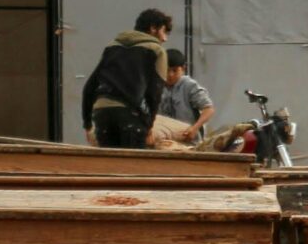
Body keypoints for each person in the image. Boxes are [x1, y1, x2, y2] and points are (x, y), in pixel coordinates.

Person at [79, 8, 172, 148]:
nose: (165, 39)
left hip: (102, 113)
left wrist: (87, 123)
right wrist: (149, 125)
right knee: (133, 165)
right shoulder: (156, 50)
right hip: (130, 114)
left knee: (109, 165)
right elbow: (155, 92)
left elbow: (90, 86)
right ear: (153, 28)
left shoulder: (112, 47)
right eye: (164, 31)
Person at [157, 52, 214, 143]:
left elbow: (208, 109)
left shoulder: (189, 85)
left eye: (175, 70)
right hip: (165, 140)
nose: (170, 75)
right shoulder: (157, 86)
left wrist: (195, 128)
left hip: (189, 139)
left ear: (183, 69)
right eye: (167, 70)